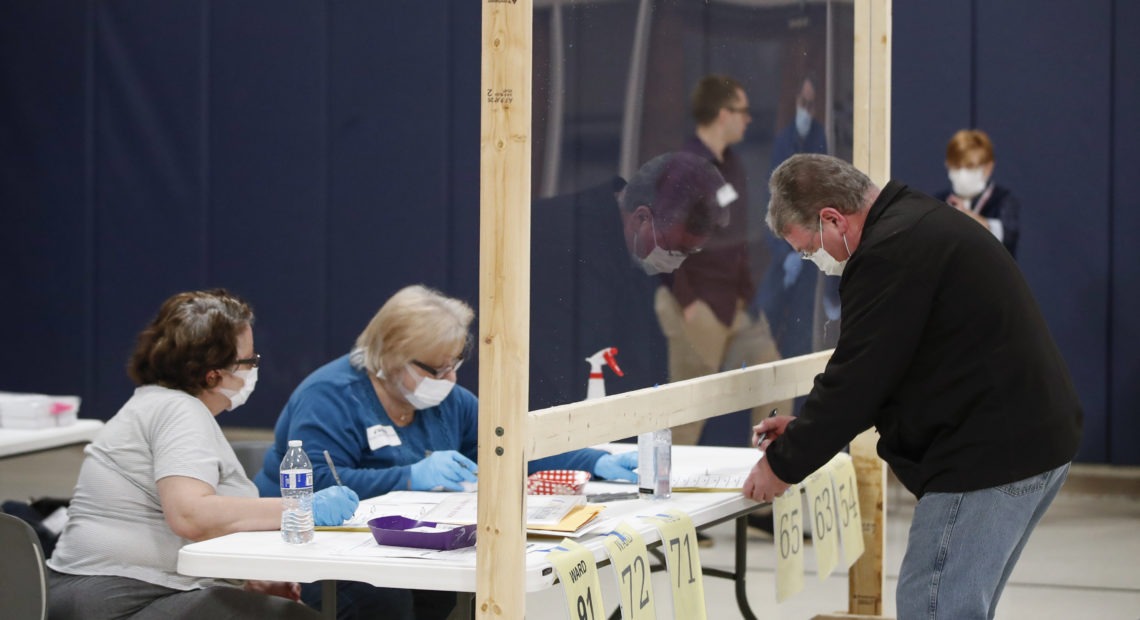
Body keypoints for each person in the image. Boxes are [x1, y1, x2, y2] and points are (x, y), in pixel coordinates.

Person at [744, 154, 1083, 619]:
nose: (813, 261)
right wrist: (805, 431)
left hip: (988, 457)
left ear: (832, 219)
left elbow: (858, 378)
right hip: (1028, 440)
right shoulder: (915, 221)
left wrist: (782, 465)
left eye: (808, 249)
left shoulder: (889, 252)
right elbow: (887, 368)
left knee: (933, 606)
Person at [254, 284, 643, 619]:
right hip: (317, 553)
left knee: (467, 589)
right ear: (390, 356)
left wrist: (596, 461)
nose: (450, 380)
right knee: (384, 601)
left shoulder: (449, 402)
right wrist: (409, 476)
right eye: (437, 371)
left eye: (455, 364)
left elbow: (510, 447)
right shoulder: (330, 398)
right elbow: (317, 488)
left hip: (411, 548)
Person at [46, 289, 359, 620]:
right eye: (249, 361)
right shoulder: (179, 410)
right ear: (214, 375)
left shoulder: (154, 402)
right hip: (121, 598)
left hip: (103, 591)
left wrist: (241, 581)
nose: (254, 369)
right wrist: (302, 509)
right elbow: (190, 515)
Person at [529, 151, 730, 410]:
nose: (676, 261)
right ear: (641, 218)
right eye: (674, 249)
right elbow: (567, 371)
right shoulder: (564, 245)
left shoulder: (631, 245)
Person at [658, 74, 789, 447]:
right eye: (742, 111)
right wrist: (688, 304)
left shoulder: (730, 164)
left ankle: (768, 480)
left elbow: (734, 241)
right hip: (698, 305)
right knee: (688, 414)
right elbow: (663, 239)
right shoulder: (685, 167)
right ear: (722, 113)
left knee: (773, 376)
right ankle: (670, 497)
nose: (748, 119)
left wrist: (748, 299)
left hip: (733, 304)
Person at [754, 74, 840, 361]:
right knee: (766, 315)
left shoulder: (821, 138)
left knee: (801, 333)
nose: (807, 108)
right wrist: (783, 253)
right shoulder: (784, 140)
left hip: (812, 252)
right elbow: (773, 202)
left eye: (811, 103)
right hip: (784, 251)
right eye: (803, 102)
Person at [935, 128, 1020, 257]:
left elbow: (1007, 236)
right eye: (956, 166)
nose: (962, 174)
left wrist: (968, 217)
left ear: (988, 167)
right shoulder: (938, 202)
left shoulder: (1003, 200)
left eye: (969, 167)